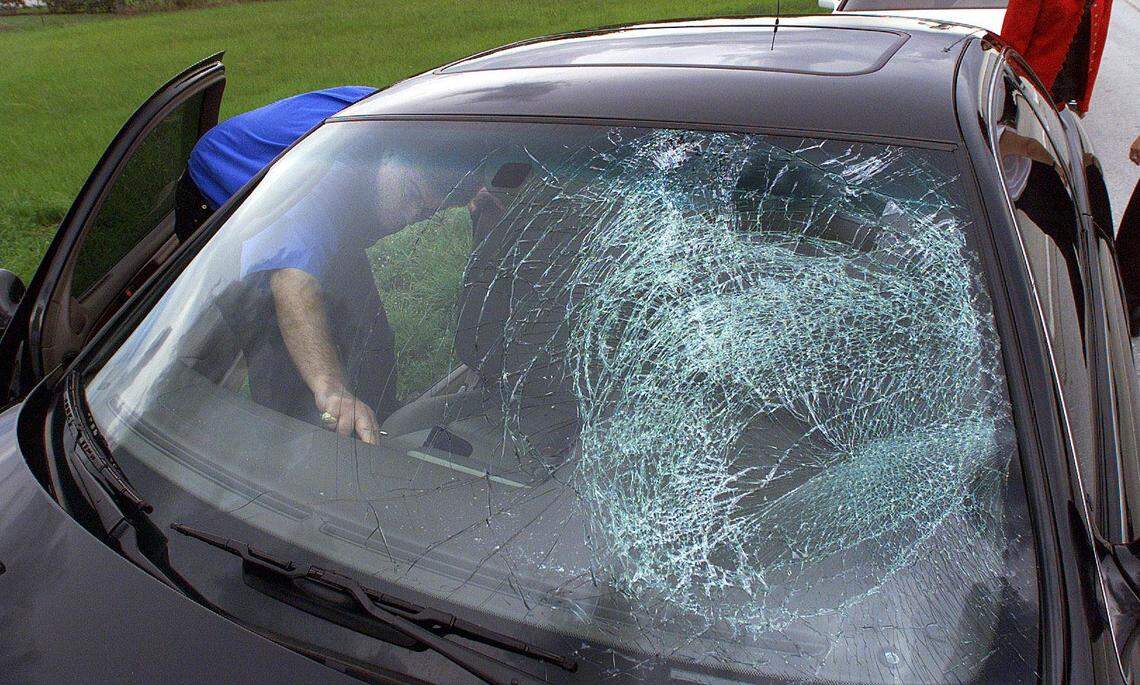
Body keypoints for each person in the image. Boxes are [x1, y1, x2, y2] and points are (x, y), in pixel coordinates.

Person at [189, 87, 469, 444]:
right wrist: (331, 388)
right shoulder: (328, 183)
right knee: (279, 343)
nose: (413, 217)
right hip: (218, 190)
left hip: (316, 199)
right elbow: (292, 283)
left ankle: (376, 425)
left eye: (430, 211)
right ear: (389, 155)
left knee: (368, 326)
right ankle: (281, 445)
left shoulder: (423, 123)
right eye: (412, 195)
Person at [1000, 0, 1112, 113]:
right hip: (1030, 91)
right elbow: (1011, 43)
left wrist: (1083, 102)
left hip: (1066, 98)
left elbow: (1097, 42)